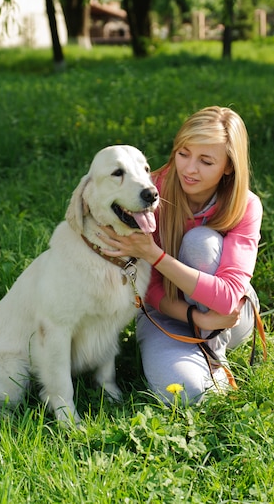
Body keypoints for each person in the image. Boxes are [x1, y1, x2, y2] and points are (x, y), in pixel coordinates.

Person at [98, 106, 263, 405]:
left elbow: (227, 300)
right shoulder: (150, 192)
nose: (189, 168)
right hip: (167, 314)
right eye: (184, 153)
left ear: (228, 166)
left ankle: (214, 355)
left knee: (200, 242)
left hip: (229, 321)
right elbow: (146, 286)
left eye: (206, 161)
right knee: (186, 393)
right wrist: (194, 317)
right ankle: (202, 364)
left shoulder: (245, 206)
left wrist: (155, 255)